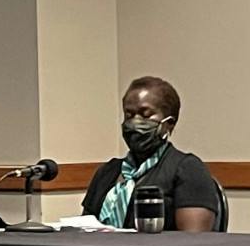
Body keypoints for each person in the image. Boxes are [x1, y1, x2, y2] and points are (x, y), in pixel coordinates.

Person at [81, 75, 222, 232]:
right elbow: (84, 231)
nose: (135, 122)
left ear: (169, 122)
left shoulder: (187, 169)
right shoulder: (107, 172)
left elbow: (192, 243)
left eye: (145, 115)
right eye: (129, 115)